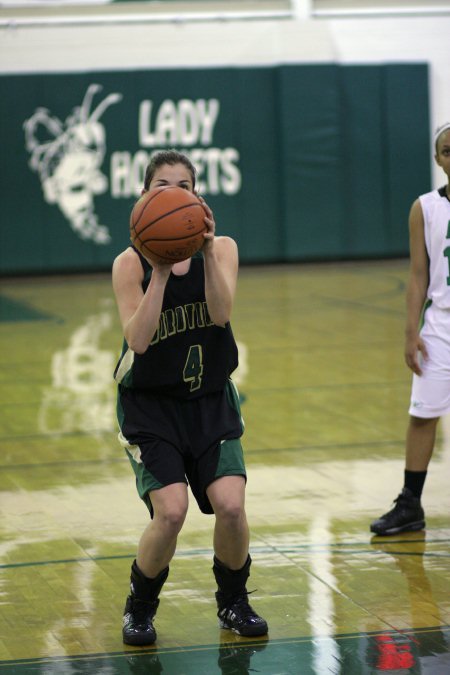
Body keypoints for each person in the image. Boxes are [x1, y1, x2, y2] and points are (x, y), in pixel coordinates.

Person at [112, 149, 268, 645]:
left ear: (197, 197)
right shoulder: (128, 264)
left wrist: (199, 254)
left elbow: (221, 315)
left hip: (209, 399)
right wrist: (159, 269)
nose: (174, 193)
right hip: (150, 407)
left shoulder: (221, 249)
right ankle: (139, 608)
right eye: (162, 186)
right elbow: (138, 341)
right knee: (173, 512)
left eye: (184, 186)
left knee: (231, 506)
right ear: (144, 197)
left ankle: (234, 603)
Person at [370, 122, 450, 536]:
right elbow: (418, 275)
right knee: (423, 414)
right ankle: (411, 504)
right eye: (448, 150)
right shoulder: (425, 208)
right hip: (440, 326)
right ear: (438, 160)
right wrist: (409, 331)